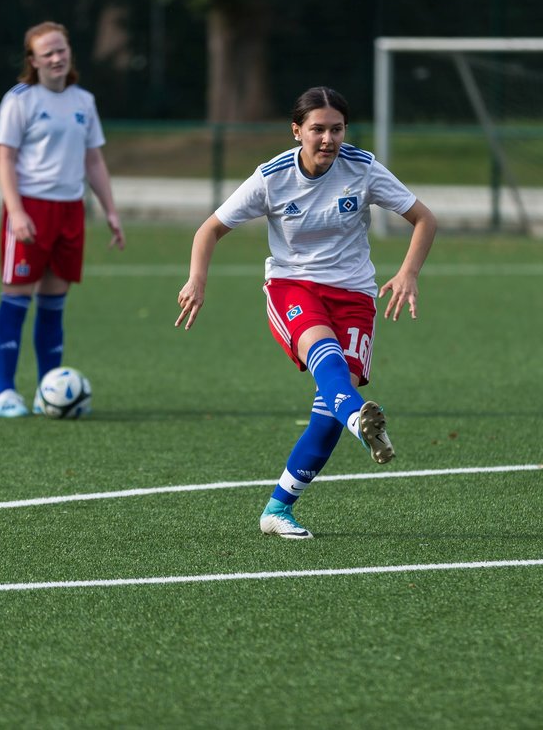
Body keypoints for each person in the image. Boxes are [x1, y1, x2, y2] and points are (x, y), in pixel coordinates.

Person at [176, 86, 438, 538]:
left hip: (355, 295)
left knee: (327, 410)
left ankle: (278, 508)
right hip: (292, 287)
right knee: (330, 366)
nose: (327, 139)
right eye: (317, 129)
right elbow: (210, 229)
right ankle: (359, 419)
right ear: (297, 131)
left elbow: (424, 218)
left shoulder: (363, 167)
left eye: (336, 129)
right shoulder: (272, 177)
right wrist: (197, 279)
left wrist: (409, 273)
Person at [0, 21, 125, 417]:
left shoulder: (83, 100)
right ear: (33, 60)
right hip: (30, 208)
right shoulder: (19, 99)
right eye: (46, 52)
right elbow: (4, 159)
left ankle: (48, 390)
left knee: (53, 304)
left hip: (70, 212)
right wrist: (15, 211)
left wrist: (111, 210)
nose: (56, 58)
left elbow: (93, 160)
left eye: (61, 50)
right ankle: (4, 393)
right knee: (16, 299)